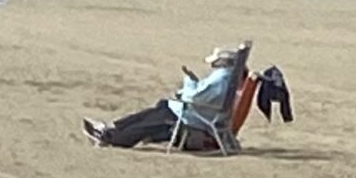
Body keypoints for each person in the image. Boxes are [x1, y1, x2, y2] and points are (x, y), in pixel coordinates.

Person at [83, 45, 245, 149]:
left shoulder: (221, 78)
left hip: (192, 117)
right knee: (150, 114)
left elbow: (196, 97)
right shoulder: (227, 77)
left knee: (149, 123)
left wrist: (189, 82)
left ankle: (113, 137)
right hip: (196, 113)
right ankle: (112, 129)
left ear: (222, 62)